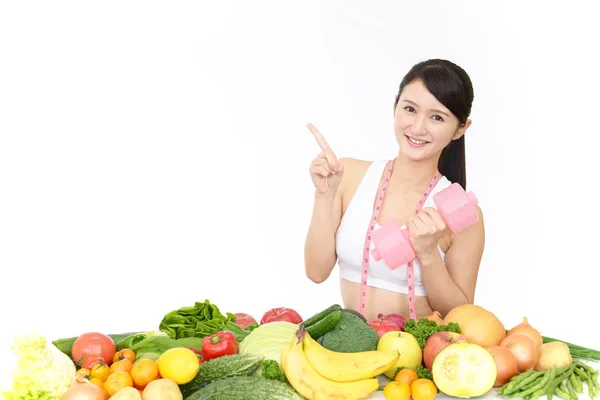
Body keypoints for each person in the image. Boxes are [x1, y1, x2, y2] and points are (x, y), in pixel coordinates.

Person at [304, 58, 485, 322]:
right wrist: (324, 196)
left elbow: (459, 315)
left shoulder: (463, 213)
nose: (418, 127)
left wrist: (427, 253)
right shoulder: (348, 176)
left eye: (437, 117)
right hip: (352, 350)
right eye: (410, 109)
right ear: (395, 106)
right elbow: (316, 272)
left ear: (460, 129)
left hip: (417, 356)